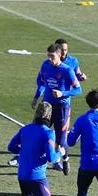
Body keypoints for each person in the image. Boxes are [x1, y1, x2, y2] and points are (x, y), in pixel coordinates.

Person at [29, 42, 81, 175]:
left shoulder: (67, 70)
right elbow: (41, 82)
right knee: (38, 130)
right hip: (47, 106)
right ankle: (38, 158)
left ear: (59, 56)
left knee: (61, 138)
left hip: (61, 107)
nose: (49, 59)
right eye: (48, 56)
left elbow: (78, 90)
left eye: (52, 56)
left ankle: (65, 159)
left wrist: (62, 93)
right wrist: (36, 97)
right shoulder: (45, 65)